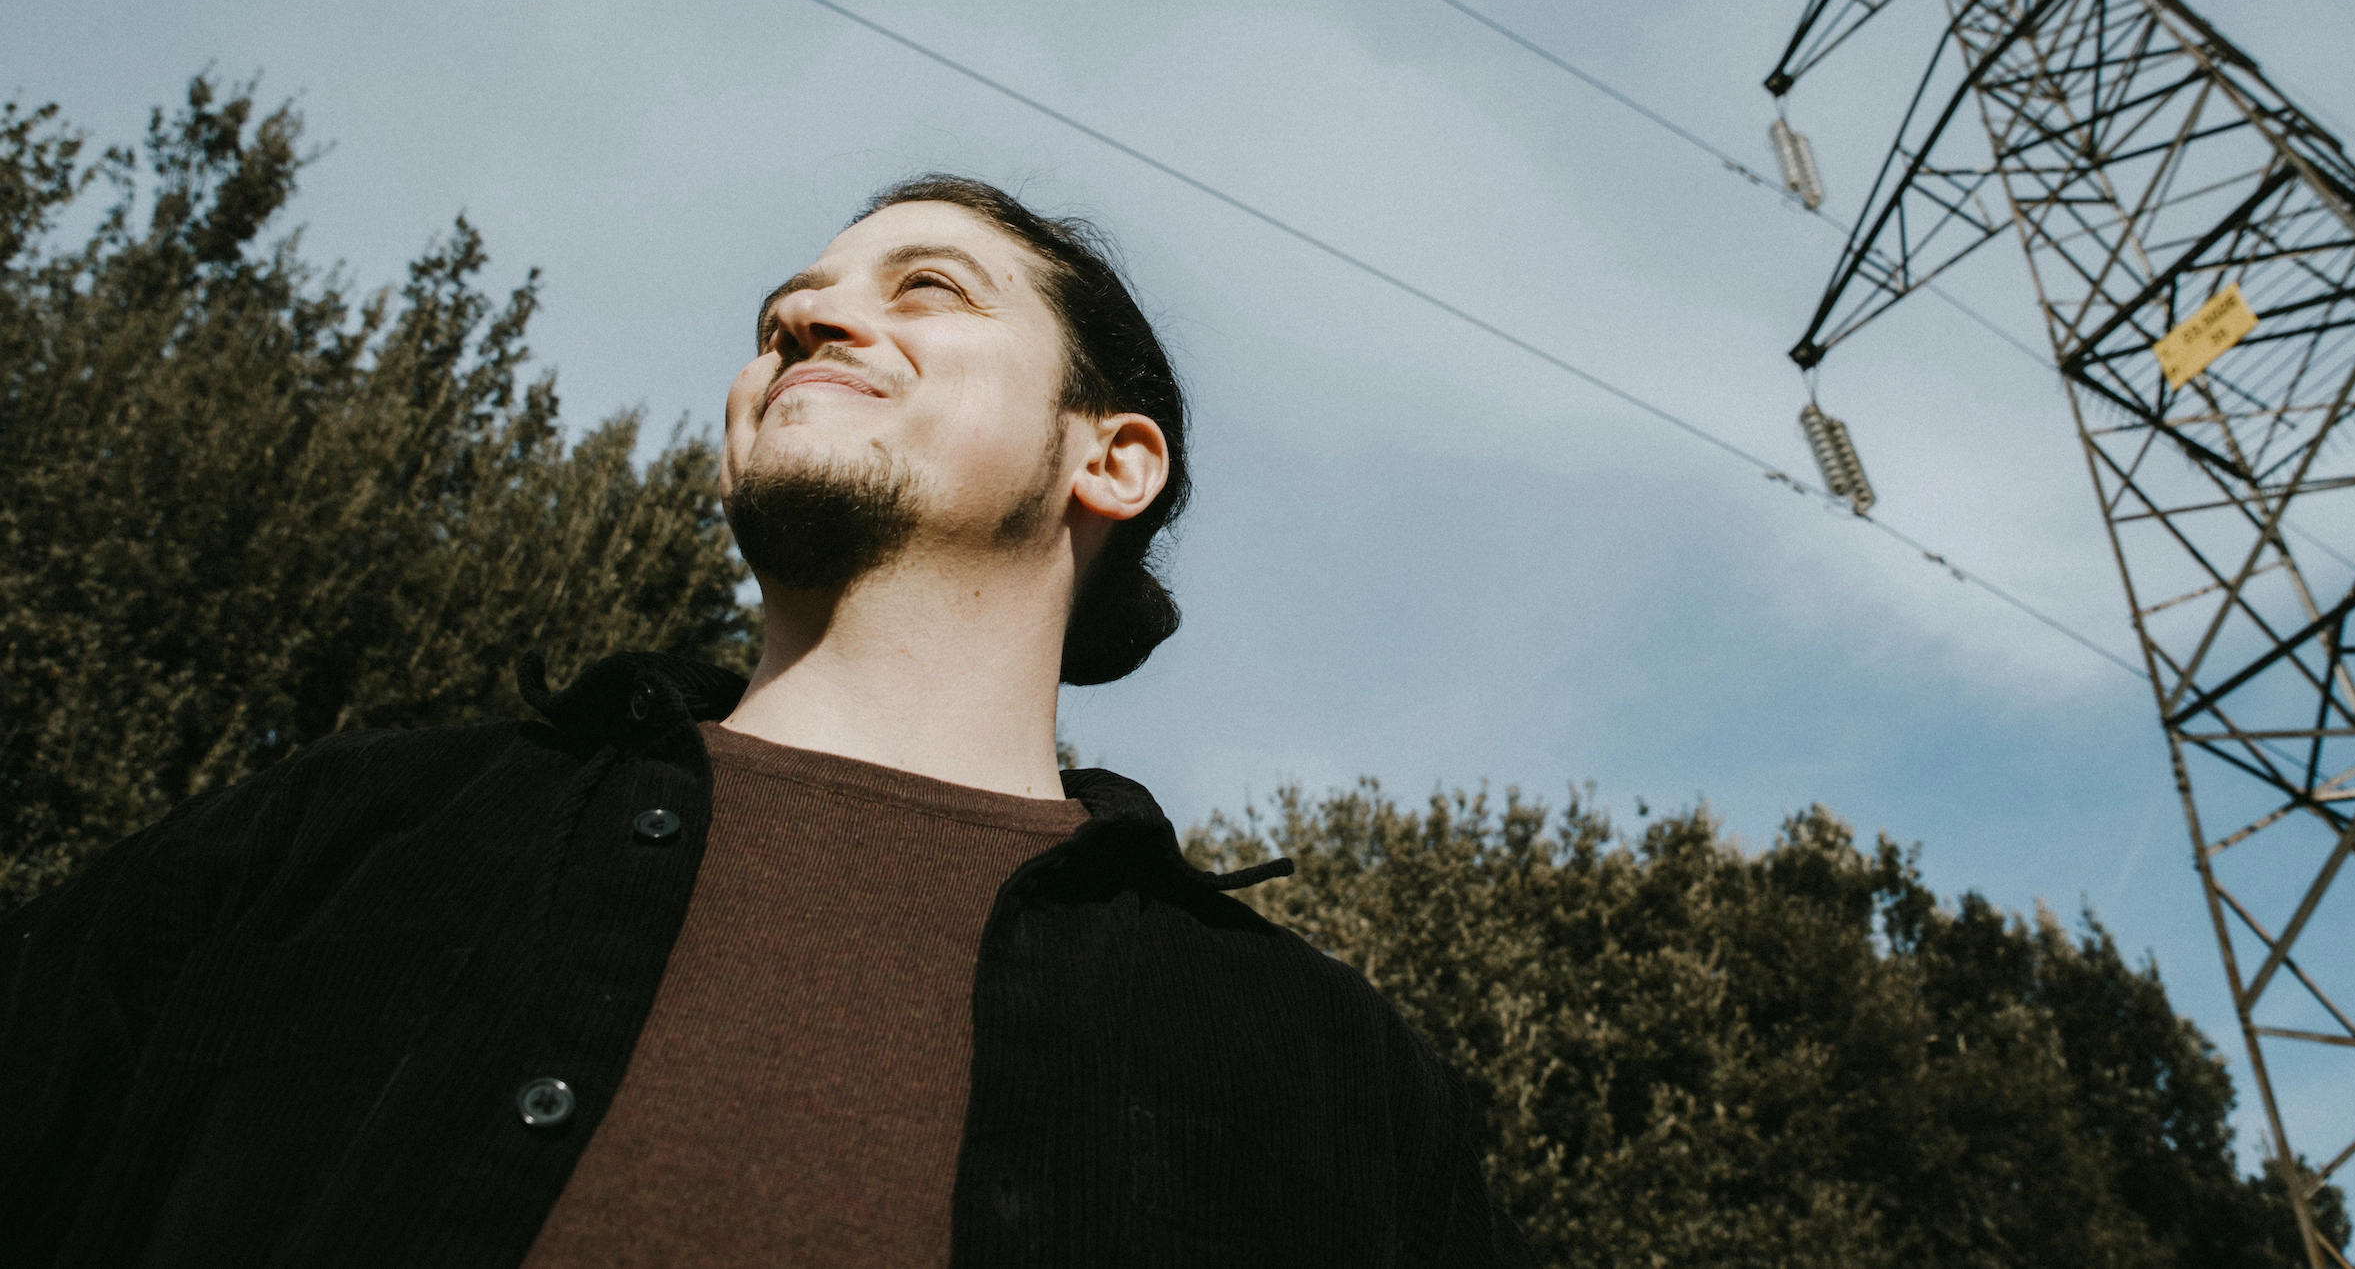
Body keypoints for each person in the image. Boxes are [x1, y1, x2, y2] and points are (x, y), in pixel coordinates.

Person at [0, 175, 1529, 1268]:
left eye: (925, 286)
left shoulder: (1327, 1072)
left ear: (1111, 459)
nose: (806, 312)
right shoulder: (335, 838)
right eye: (789, 306)